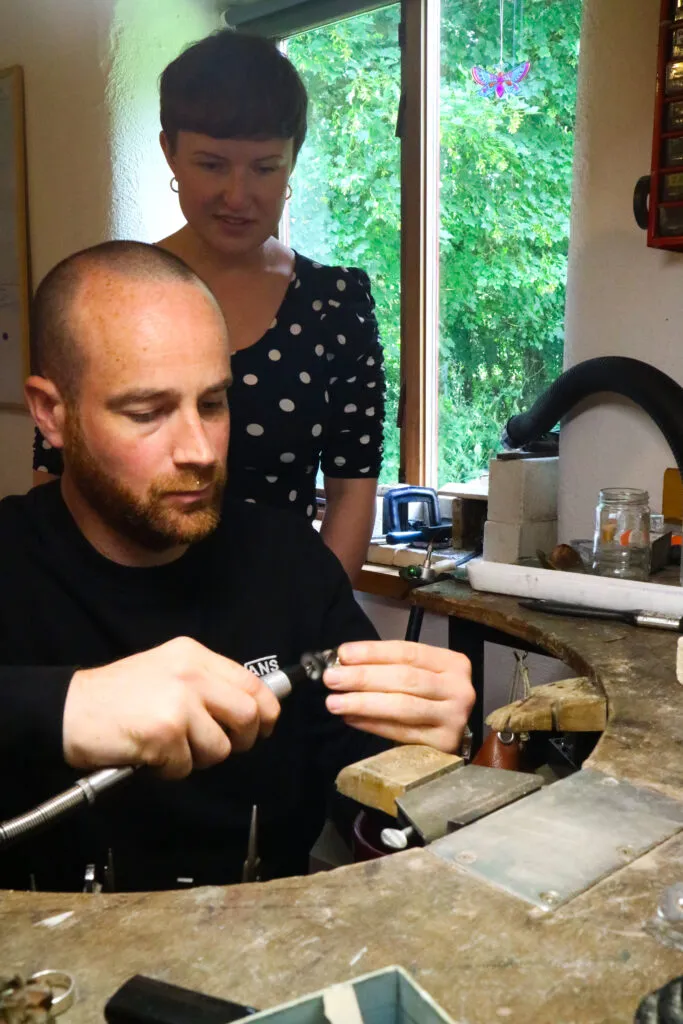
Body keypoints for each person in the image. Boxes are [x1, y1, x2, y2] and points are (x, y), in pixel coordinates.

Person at [3, 241, 473, 893]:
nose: (198, 450)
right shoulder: (12, 561)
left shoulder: (288, 564)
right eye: (147, 412)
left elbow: (370, 800)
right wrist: (61, 706)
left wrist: (425, 753)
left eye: (214, 403)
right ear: (52, 413)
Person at [33, 30, 384, 584]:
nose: (238, 196)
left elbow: (350, 495)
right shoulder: (106, 295)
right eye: (212, 164)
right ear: (169, 150)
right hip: (115, 616)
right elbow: (55, 483)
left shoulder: (334, 305)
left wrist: (314, 619)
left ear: (293, 159)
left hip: (278, 613)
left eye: (265, 168)